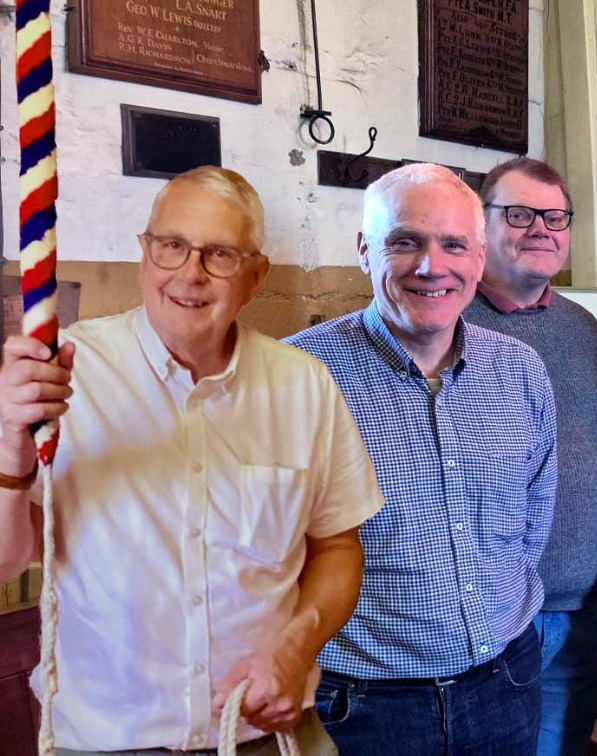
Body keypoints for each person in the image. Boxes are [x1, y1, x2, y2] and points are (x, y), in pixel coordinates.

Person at [0, 167, 381, 754]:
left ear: (256, 277)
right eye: (172, 245)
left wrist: (297, 647)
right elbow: (7, 564)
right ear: (144, 253)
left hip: (267, 735)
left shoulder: (304, 386)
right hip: (106, 742)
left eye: (219, 254)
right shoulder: (63, 375)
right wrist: (10, 447)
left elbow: (337, 547)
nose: (190, 273)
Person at [288, 163, 559, 755]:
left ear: (479, 257)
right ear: (365, 251)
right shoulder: (296, 378)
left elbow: (532, 520)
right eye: (405, 242)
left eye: (454, 245)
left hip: (506, 682)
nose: (432, 266)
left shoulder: (519, 370)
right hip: (362, 705)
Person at [462, 157, 597, 756]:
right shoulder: (448, 320)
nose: (541, 228)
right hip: (486, 617)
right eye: (519, 214)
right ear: (482, 224)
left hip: (577, 608)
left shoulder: (582, 326)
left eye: (555, 217)